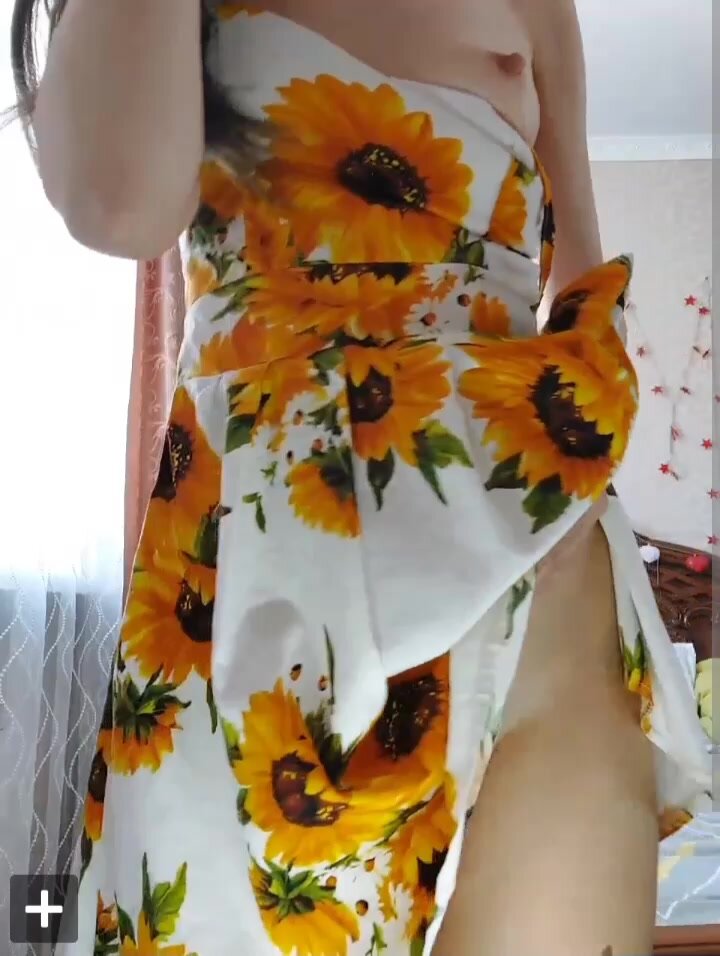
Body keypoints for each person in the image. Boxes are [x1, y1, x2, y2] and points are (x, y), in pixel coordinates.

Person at [12, 1, 711, 954]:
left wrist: (589, 427)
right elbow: (118, 204)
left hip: (542, 565)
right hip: (266, 575)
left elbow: (582, 275)